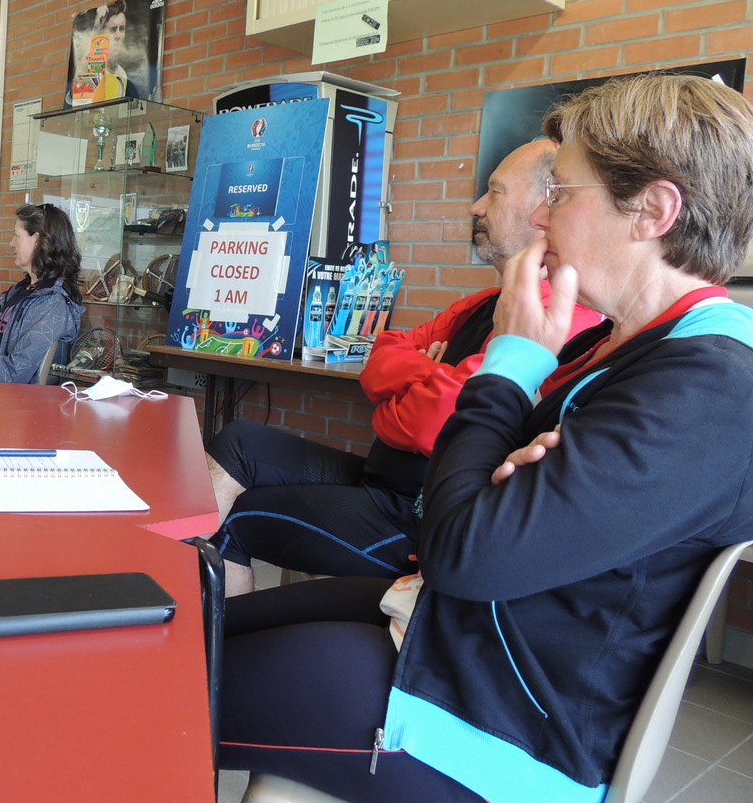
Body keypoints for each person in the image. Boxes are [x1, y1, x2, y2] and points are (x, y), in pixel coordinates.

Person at [218, 73, 753, 803]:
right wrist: (500, 468)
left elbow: (462, 548)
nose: (541, 218)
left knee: (160, 677)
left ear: (653, 211)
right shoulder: (621, 347)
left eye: (559, 193)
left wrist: (509, 367)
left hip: (490, 719)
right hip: (452, 631)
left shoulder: (710, 385)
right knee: (202, 628)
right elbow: (471, 501)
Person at [208, 139, 603, 595]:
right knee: (240, 440)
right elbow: (380, 357)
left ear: (544, 208)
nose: (476, 206)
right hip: (379, 478)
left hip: (416, 518)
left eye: (494, 192)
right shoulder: (483, 303)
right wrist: (432, 379)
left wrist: (409, 391)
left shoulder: (563, 319)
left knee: (238, 521)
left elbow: (432, 424)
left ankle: (196, 633)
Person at [0, 203, 83, 383]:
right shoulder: (19, 291)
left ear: (37, 240)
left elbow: (14, 372)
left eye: (17, 235)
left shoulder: (52, 304)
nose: (11, 244)